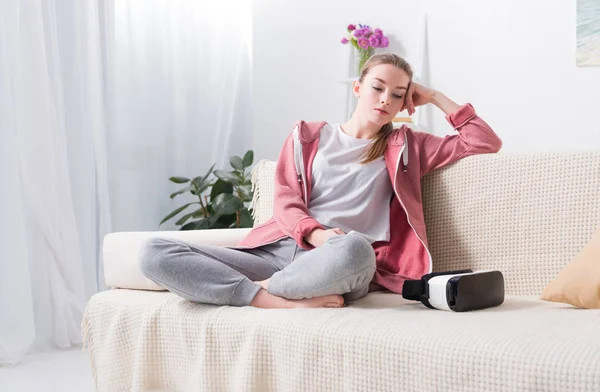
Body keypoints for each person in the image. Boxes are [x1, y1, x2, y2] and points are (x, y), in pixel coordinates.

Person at [139, 52, 502, 310]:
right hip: (280, 253)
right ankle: (268, 298)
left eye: (397, 94)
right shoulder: (307, 136)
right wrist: (316, 233)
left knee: (356, 248)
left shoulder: (408, 146)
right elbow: (285, 202)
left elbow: (485, 142)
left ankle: (255, 292)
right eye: (377, 87)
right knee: (154, 251)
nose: (385, 99)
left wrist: (435, 96)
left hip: (344, 262)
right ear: (357, 88)